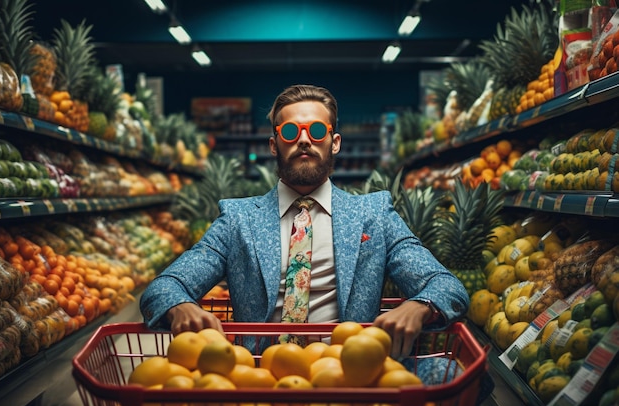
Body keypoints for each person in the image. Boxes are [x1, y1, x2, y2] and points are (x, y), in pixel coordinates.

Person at [140, 84, 469, 359]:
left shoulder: (374, 214)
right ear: (274, 145)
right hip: (259, 377)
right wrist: (180, 305)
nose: (303, 139)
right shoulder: (237, 220)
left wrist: (420, 305)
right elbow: (163, 288)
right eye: (289, 131)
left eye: (315, 130)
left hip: (351, 372)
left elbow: (446, 286)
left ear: (334, 142)